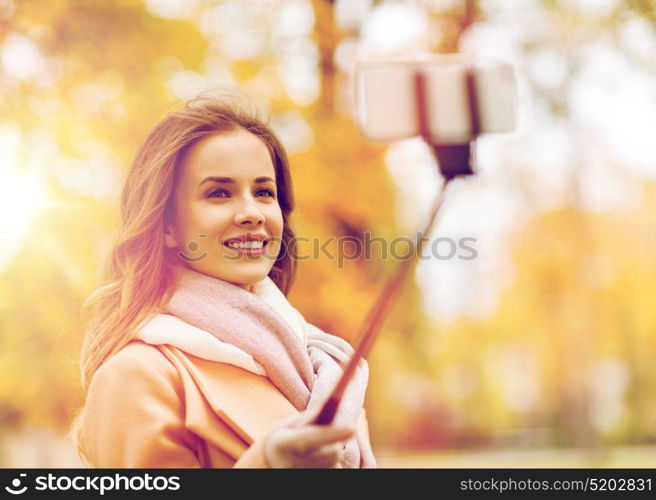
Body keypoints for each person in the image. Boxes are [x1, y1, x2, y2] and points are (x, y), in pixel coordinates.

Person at [71, 91, 376, 468]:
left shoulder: (324, 367)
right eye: (219, 193)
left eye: (264, 192)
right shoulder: (136, 376)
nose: (251, 212)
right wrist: (262, 467)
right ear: (167, 225)